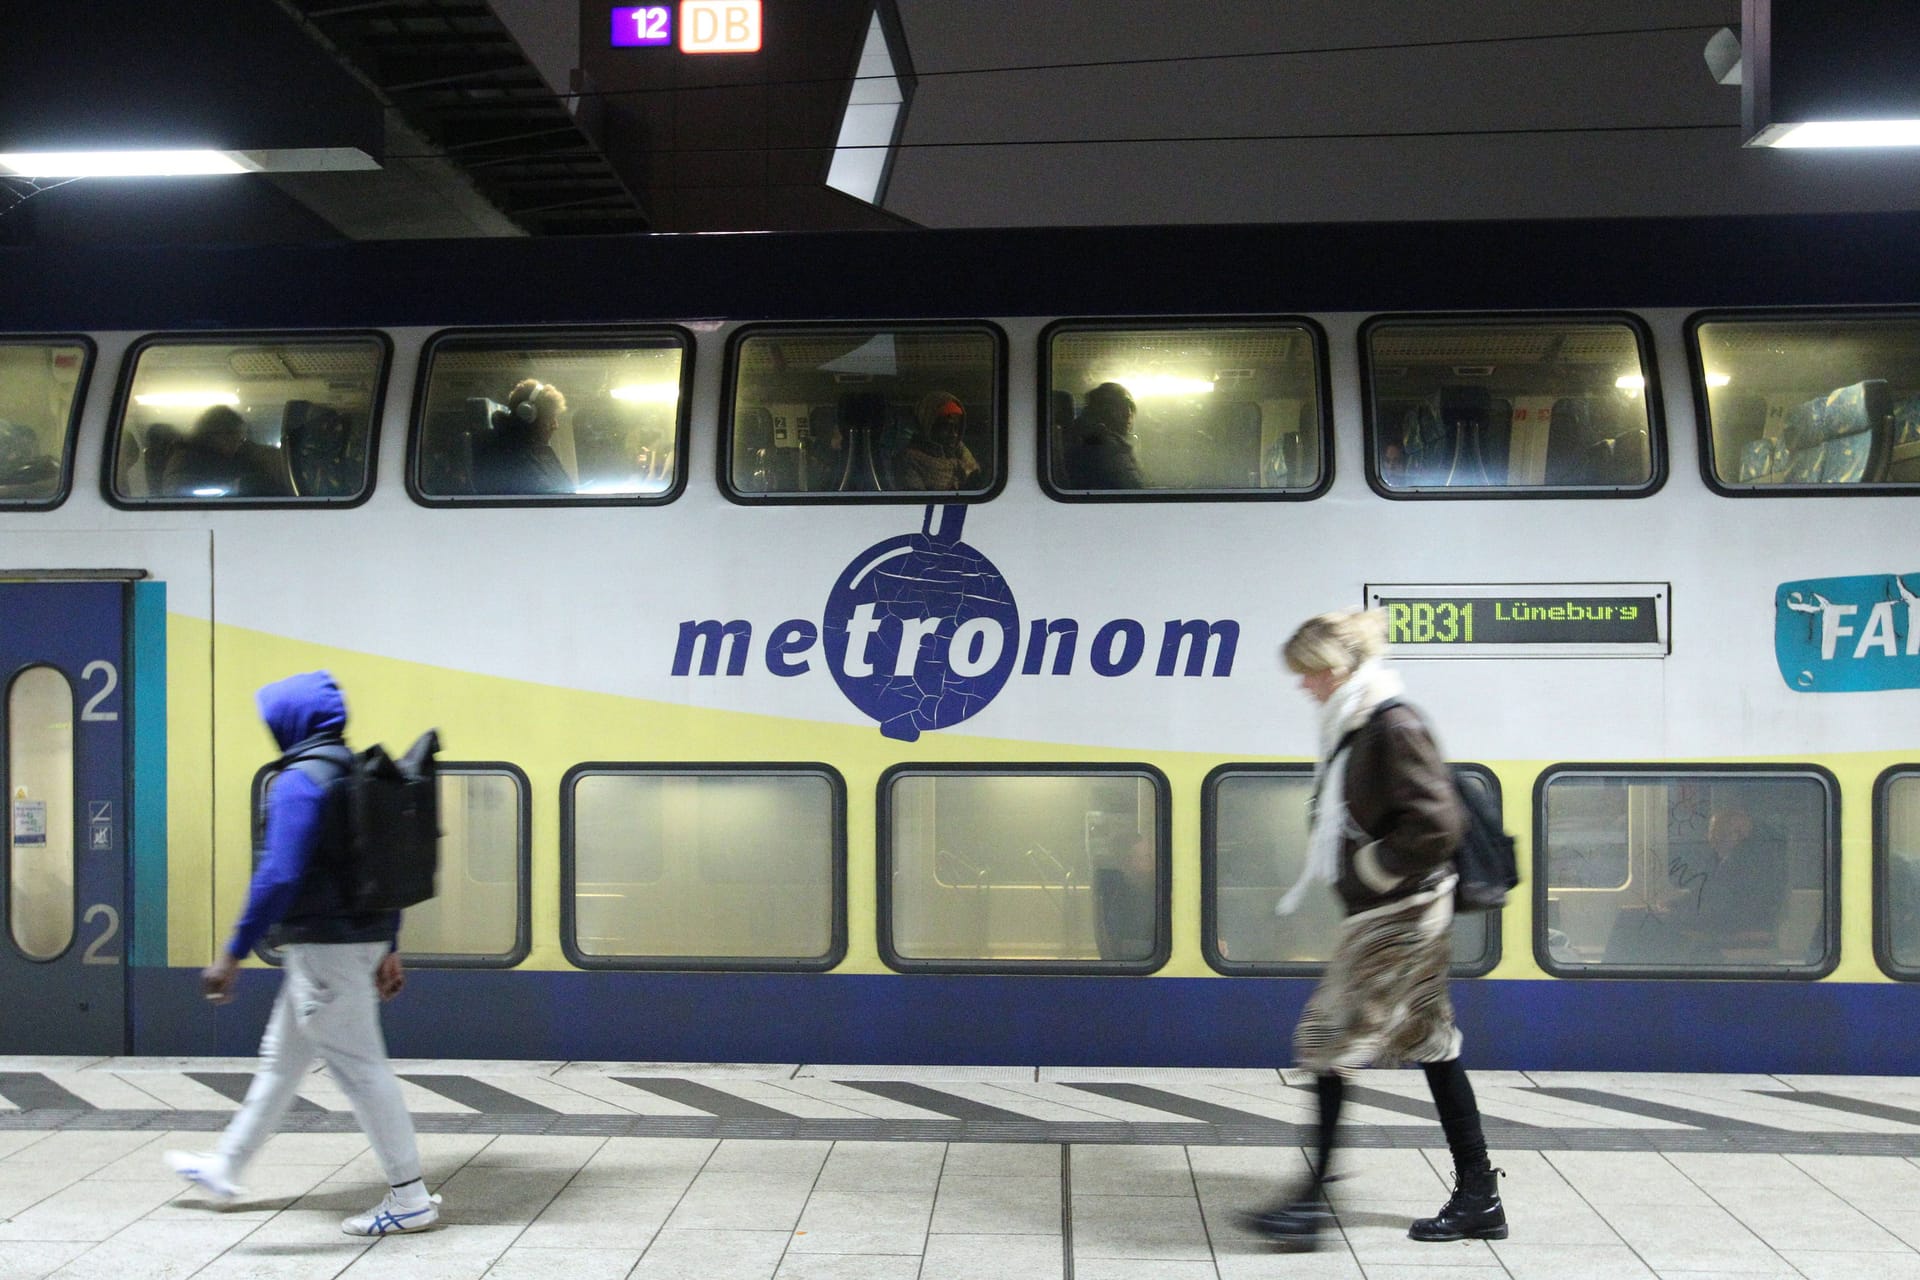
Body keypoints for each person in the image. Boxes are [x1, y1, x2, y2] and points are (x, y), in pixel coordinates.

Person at [1241, 609, 1506, 1250]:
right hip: (1397, 908)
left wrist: (1370, 865)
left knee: (1327, 1039)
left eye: (1307, 675)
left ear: (1334, 667)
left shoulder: (1391, 724)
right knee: (1431, 1041)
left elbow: (1438, 825)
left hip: (1402, 912)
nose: (1303, 688)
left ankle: (1312, 1205)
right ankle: (1480, 1197)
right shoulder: (1359, 722)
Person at [166, 672, 442, 1237]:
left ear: (288, 722)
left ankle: (410, 1197)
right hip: (354, 941)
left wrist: (233, 951)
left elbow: (279, 873)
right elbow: (382, 863)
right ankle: (227, 1166)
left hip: (324, 948)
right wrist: (389, 944)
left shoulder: (299, 781)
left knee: (362, 1070)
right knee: (282, 1059)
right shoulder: (358, 772)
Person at [1659, 803, 1790, 958]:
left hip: (1743, 929)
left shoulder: (1752, 867)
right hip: (1723, 921)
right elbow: (1705, 893)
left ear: (1738, 834)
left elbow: (1730, 911)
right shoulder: (1723, 861)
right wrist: (1673, 905)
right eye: (1711, 832)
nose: (1711, 838)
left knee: (1666, 934)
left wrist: (1680, 916)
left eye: (1719, 833)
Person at [160, 405, 289, 498]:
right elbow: (177, 490)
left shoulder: (235, 457)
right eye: (237, 437)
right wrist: (235, 486)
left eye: (242, 438)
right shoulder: (185, 458)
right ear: (218, 435)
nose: (239, 443)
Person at [473, 378, 573, 495]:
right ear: (528, 415)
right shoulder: (510, 459)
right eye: (550, 418)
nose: (555, 425)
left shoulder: (534, 451)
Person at [1061, 381, 1145, 489]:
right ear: (1100, 409)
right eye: (1120, 406)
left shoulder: (1085, 439)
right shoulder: (1101, 446)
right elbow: (1132, 491)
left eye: (1130, 407)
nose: (1128, 413)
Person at [895, 391, 981, 490]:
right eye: (946, 427)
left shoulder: (959, 449)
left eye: (957, 428)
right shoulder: (909, 459)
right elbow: (917, 502)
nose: (954, 434)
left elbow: (976, 478)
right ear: (929, 424)